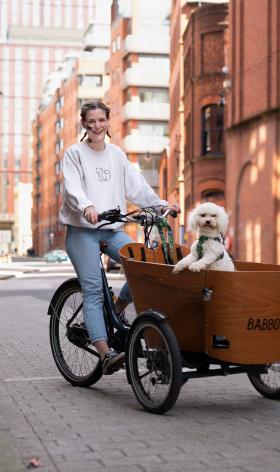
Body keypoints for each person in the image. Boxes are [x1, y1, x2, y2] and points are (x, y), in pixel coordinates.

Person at [59, 100, 180, 375]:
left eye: (101, 120)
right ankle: (106, 353)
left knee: (146, 269)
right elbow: (72, 186)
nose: (97, 126)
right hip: (82, 231)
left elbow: (136, 186)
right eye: (91, 121)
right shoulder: (74, 153)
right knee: (92, 290)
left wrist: (160, 205)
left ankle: (117, 307)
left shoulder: (116, 155)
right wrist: (86, 206)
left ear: (107, 122)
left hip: (112, 229)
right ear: (84, 124)